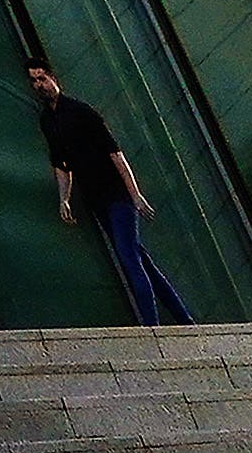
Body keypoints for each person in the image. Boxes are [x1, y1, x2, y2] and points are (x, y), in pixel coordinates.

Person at [27, 59, 192, 323]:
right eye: (34, 81)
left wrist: (135, 195)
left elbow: (115, 154)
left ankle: (153, 327)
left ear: (53, 77)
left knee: (129, 258)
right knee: (140, 259)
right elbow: (60, 163)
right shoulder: (48, 120)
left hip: (116, 195)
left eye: (42, 79)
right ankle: (184, 321)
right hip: (97, 198)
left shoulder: (82, 112)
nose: (39, 85)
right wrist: (64, 199)